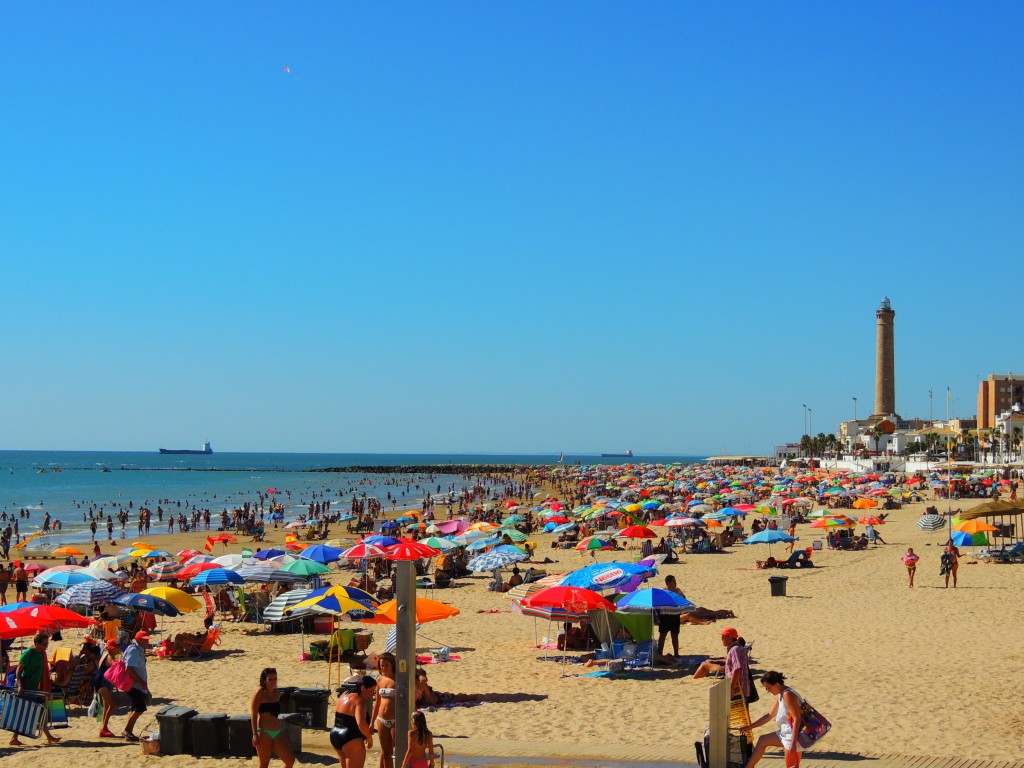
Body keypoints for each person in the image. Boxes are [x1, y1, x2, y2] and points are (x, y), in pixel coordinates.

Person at [743, 670, 804, 768]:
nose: (768, 691)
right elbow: (769, 715)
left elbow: (797, 718)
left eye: (769, 688)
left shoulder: (788, 695)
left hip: (792, 737)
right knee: (762, 740)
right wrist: (750, 727)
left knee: (791, 766)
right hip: (784, 733)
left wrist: (793, 744)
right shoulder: (780, 694)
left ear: (776, 684)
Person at [10, 632, 61, 747]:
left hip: (34, 687)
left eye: (47, 644)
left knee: (37, 710)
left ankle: (15, 738)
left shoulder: (41, 653)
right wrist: (20, 685)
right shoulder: (29, 653)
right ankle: (48, 737)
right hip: (25, 687)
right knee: (32, 710)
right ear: (36, 644)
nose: (46, 647)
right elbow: (18, 670)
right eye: (44, 644)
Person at [251, 668, 295, 768]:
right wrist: (254, 734)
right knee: (264, 764)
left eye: (275, 679)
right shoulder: (260, 693)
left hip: (277, 732)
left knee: (290, 761)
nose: (273, 681)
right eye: (270, 679)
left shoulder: (277, 694)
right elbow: (253, 714)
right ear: (264, 680)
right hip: (264, 732)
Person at [693, 627, 751, 701]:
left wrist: (731, 688)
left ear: (730, 638)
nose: (721, 639)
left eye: (723, 637)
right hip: (741, 689)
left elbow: (737, 669)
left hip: (738, 690)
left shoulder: (734, 650)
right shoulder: (738, 648)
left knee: (737, 712)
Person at [330, 674, 375, 768]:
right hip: (350, 738)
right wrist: (369, 737)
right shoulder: (359, 701)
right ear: (362, 688)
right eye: (371, 691)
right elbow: (361, 724)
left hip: (335, 735)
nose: (372, 695)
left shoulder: (344, 694)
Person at [121, 631, 151, 742]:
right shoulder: (134, 650)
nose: (147, 641)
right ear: (138, 640)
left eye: (147, 639)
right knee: (140, 707)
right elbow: (128, 668)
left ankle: (128, 732)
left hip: (137, 684)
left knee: (135, 708)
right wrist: (140, 681)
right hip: (133, 684)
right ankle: (127, 731)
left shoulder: (138, 650)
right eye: (145, 639)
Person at [372, 654, 397, 768]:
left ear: (392, 665)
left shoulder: (398, 680)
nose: (383, 668)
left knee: (397, 750)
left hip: (395, 720)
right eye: (382, 665)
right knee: (386, 753)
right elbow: (377, 703)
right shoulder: (380, 679)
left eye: (386, 665)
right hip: (381, 719)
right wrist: (371, 723)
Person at [94, 640, 121, 737]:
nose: (119, 649)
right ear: (113, 649)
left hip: (101, 681)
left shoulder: (105, 653)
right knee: (112, 705)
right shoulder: (110, 657)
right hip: (102, 683)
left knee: (106, 705)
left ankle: (104, 728)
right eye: (117, 647)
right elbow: (116, 666)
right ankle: (104, 728)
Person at [656, 575, 684, 660]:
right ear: (669, 583)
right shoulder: (663, 591)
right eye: (674, 581)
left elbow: (684, 599)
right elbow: (658, 603)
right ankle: (659, 652)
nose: (676, 583)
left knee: (675, 635)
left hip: (675, 615)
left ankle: (676, 653)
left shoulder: (677, 591)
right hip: (665, 616)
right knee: (662, 635)